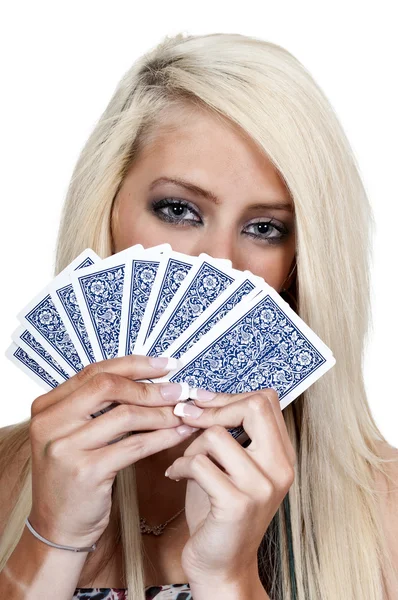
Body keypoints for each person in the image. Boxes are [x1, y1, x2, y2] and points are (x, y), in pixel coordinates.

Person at [0, 31, 397, 600]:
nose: (219, 263)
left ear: (302, 262)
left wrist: (228, 580)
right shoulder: (8, 476)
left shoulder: (384, 512)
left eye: (265, 227)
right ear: (107, 212)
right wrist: (52, 541)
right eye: (179, 210)